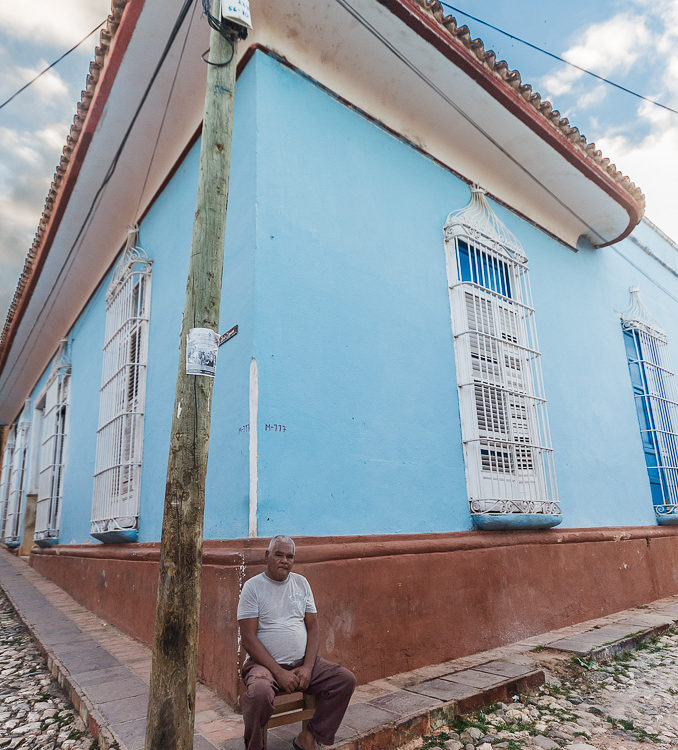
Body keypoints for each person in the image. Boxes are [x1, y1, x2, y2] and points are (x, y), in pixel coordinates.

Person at [238, 535, 356, 750]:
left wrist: (308, 667)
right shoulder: (252, 587)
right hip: (263, 666)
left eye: (290, 556)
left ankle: (309, 737)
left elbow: (313, 628)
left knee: (344, 680)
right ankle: (255, 747)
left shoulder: (301, 583)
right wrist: (279, 673)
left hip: (302, 662)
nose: (285, 560)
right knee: (259, 694)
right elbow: (248, 639)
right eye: (279, 554)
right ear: (267, 555)